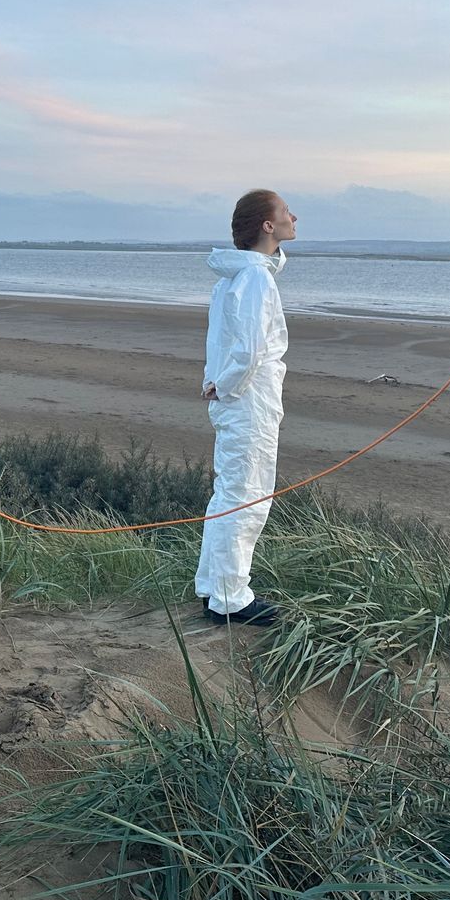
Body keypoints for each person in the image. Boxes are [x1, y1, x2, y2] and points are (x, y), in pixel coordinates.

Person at [195, 189, 298, 627]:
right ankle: (231, 598)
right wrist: (227, 387)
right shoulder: (254, 277)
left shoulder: (237, 276)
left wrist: (217, 385)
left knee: (232, 493)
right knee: (248, 497)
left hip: (240, 400)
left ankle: (215, 588)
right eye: (285, 212)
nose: (295, 217)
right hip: (249, 402)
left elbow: (223, 342)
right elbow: (251, 349)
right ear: (267, 226)